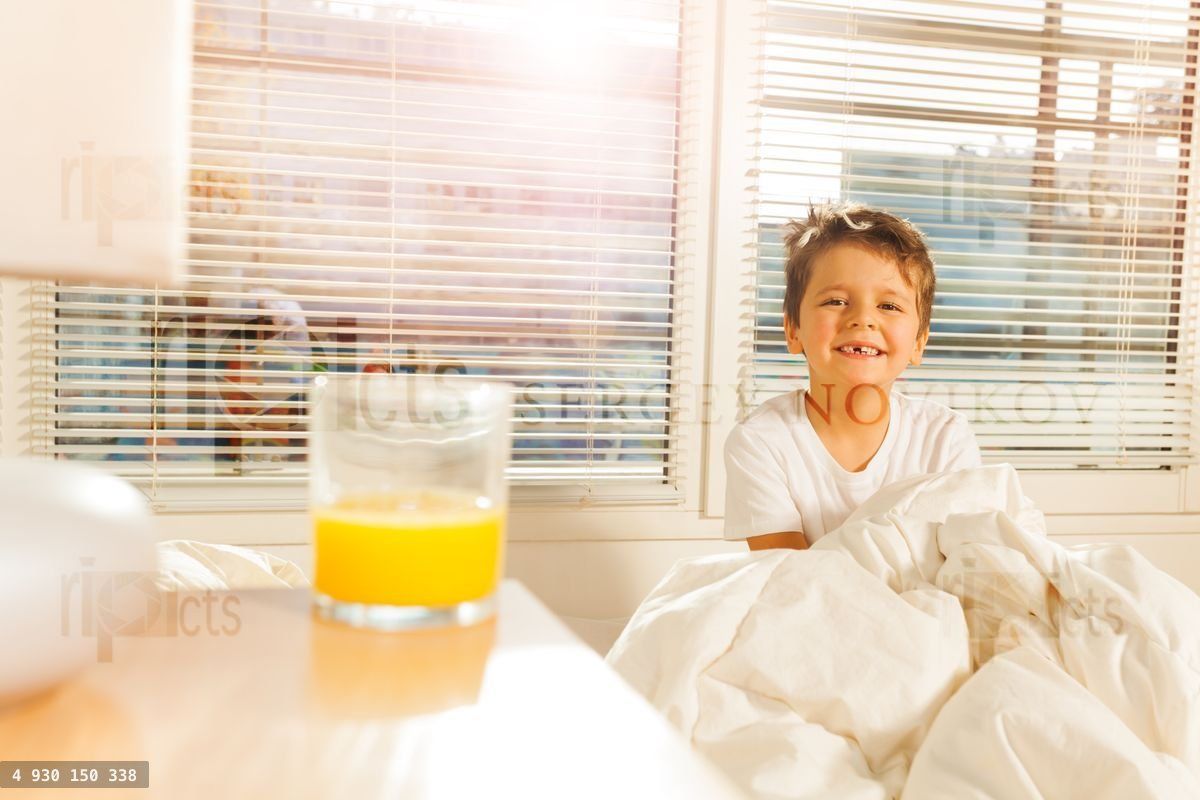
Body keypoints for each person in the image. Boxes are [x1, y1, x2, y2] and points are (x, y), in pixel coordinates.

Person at [724, 202, 983, 551]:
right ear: (793, 329)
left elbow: (967, 563)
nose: (862, 319)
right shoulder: (761, 442)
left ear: (919, 342)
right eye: (835, 301)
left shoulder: (945, 438)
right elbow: (788, 577)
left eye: (889, 306)